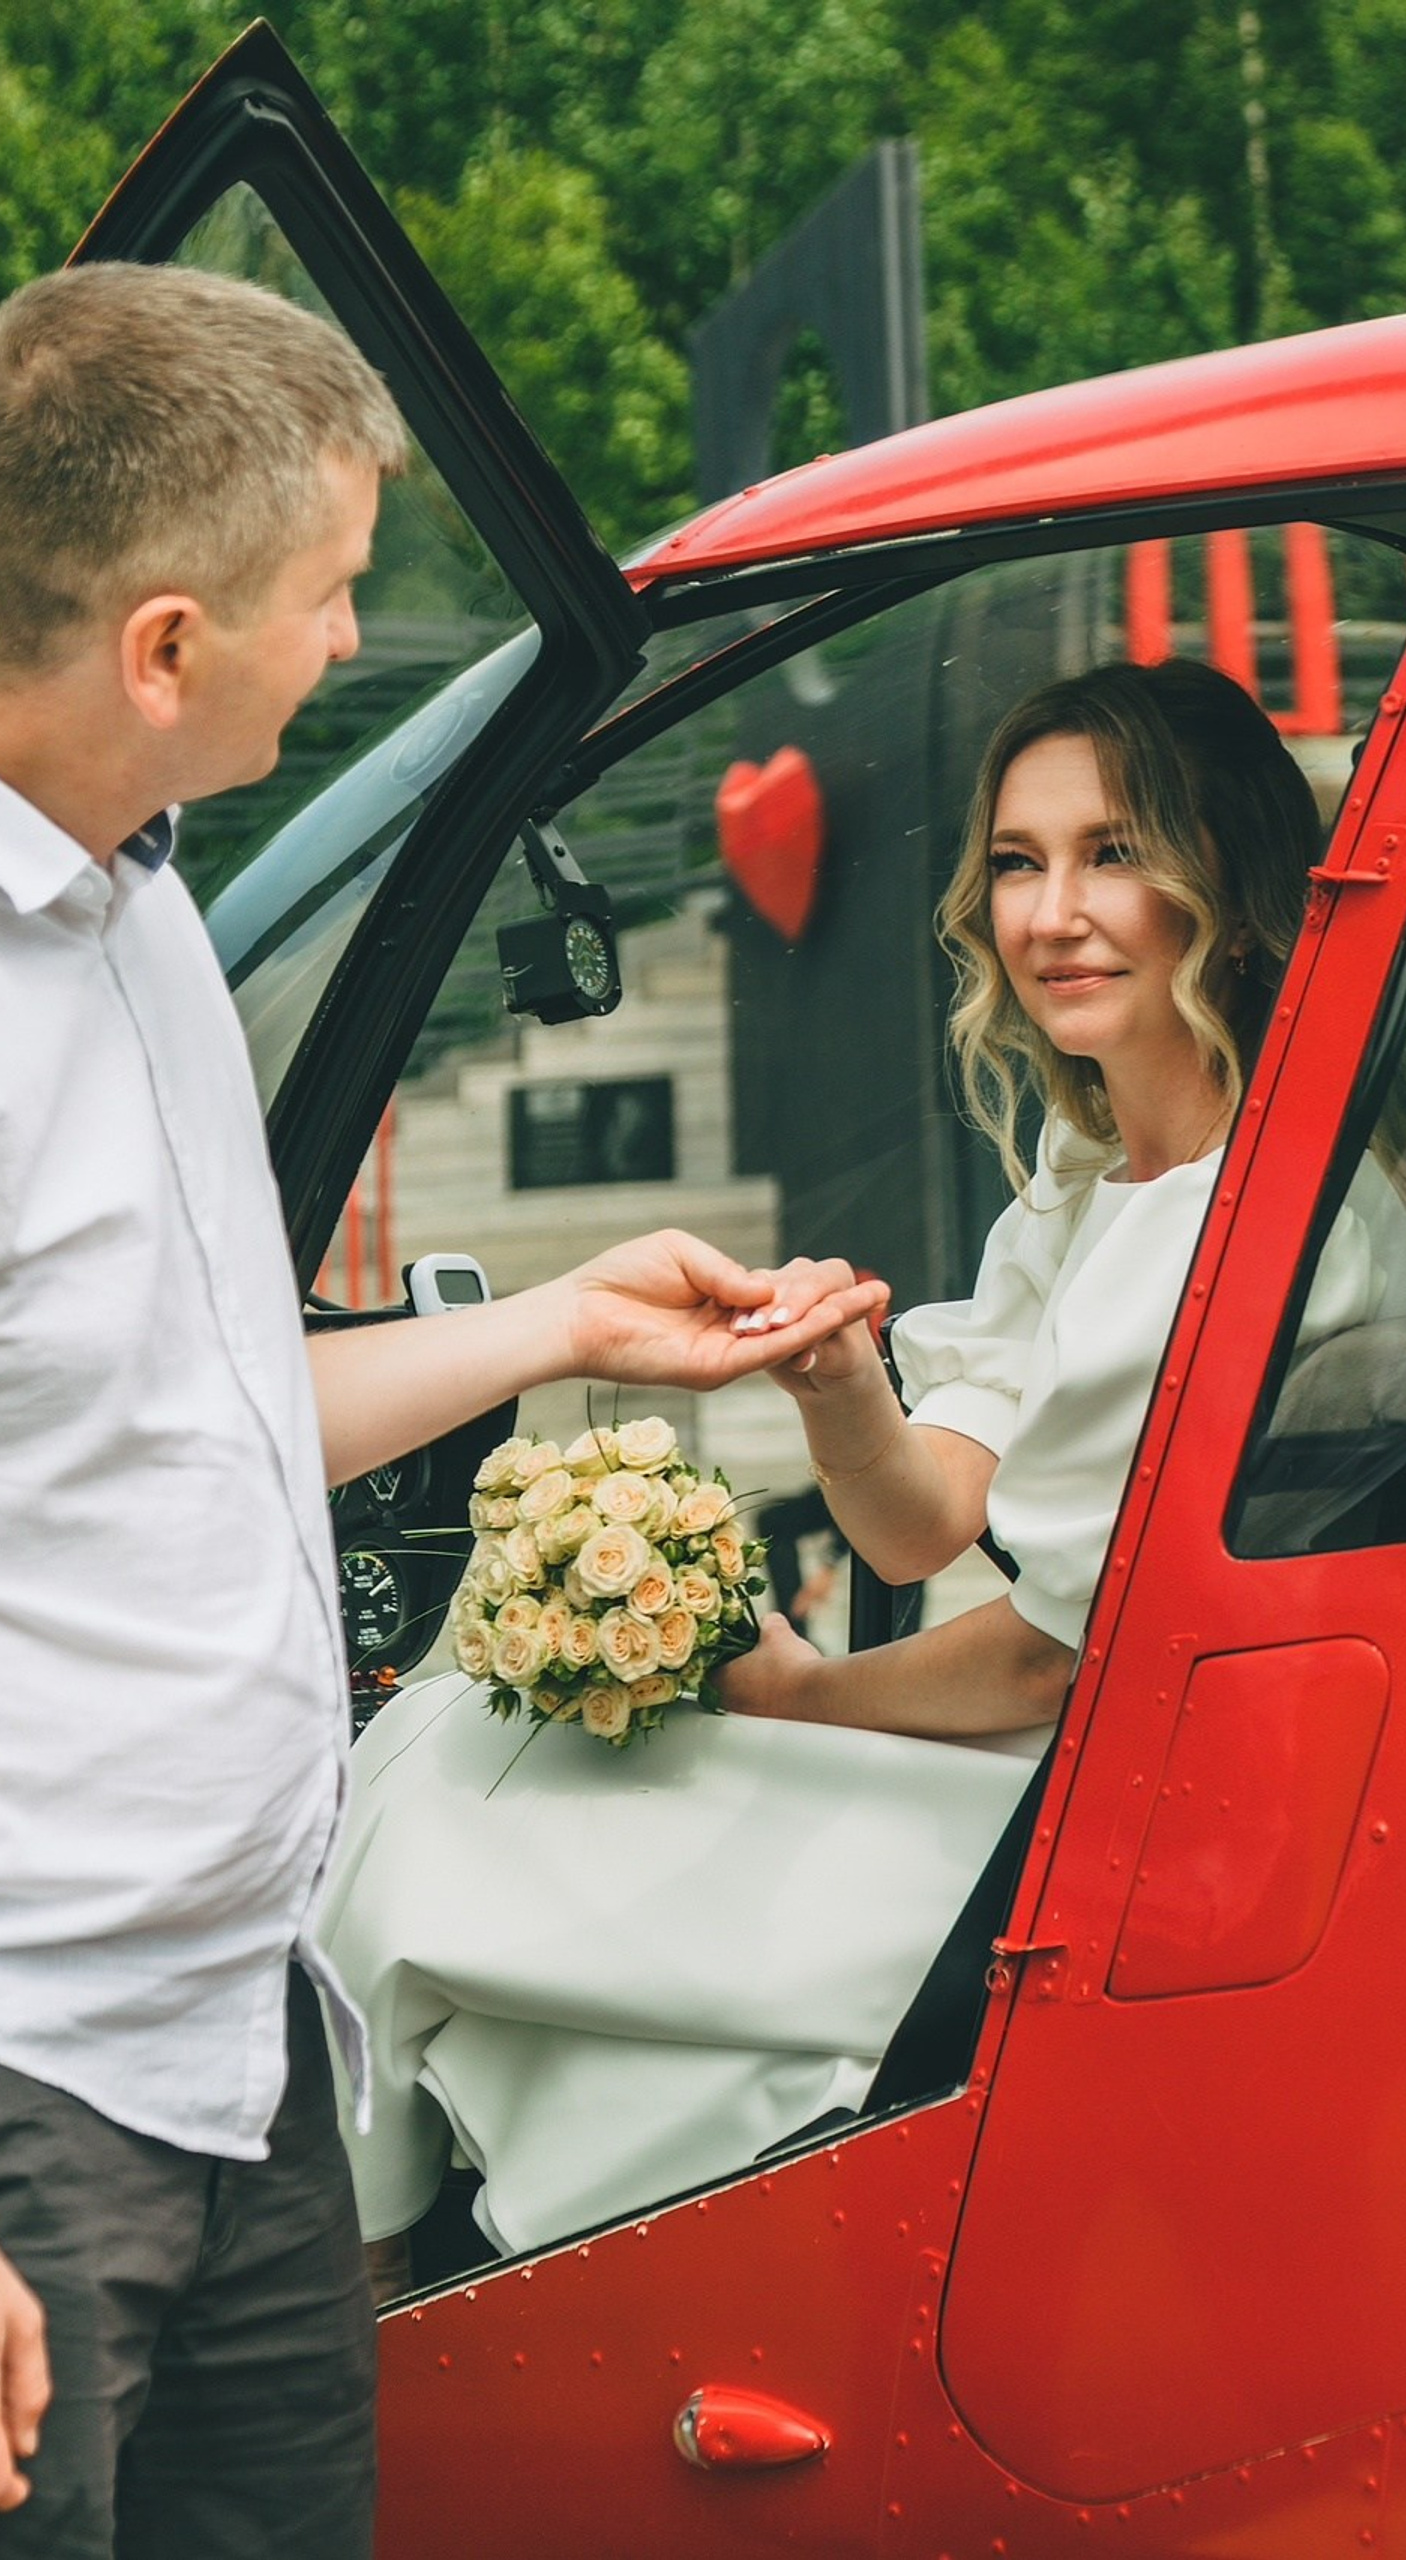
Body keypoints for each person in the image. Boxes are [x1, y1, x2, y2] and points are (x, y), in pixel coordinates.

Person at [0, 263, 868, 2559]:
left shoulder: (135, 907)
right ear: (165, 645)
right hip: (26, 2099)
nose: (360, 635)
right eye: (336, 592)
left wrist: (566, 1325)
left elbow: (182, 1411)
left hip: (239, 2033)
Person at [320, 659, 1406, 2261]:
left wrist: (795, 1694)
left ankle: (320, 2295)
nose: (1052, 913)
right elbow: (925, 1529)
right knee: (446, 1749)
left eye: (1115, 854)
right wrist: (838, 1382)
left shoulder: (1235, 1219)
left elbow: (1063, 1663)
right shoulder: (1095, 1165)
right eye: (1016, 860)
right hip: (1018, 1775)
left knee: (436, 1794)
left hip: (1074, 1847)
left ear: (1236, 894)